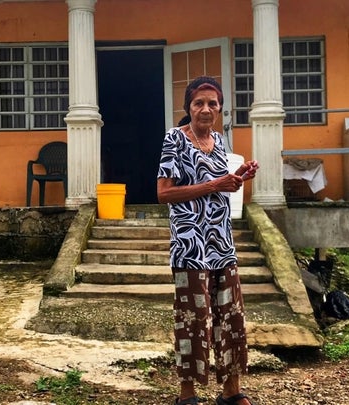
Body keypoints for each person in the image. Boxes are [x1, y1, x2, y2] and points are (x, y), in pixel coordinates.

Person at [157, 76, 259, 405]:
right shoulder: (175, 139)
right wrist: (216, 184)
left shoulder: (218, 140)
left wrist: (238, 176)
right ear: (188, 108)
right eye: (199, 103)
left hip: (221, 244)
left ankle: (231, 391)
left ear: (220, 110)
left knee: (230, 315)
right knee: (193, 319)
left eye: (212, 104)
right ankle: (187, 395)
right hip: (189, 246)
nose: (205, 109)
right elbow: (164, 193)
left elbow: (220, 185)